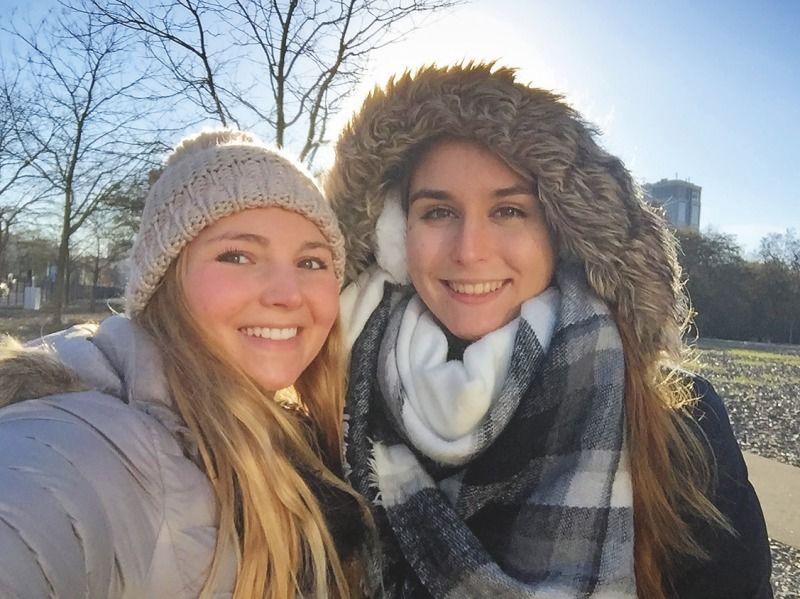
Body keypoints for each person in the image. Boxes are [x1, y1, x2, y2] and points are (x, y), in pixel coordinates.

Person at [325, 63, 772, 598]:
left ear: (560, 232)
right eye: (438, 211)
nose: (470, 251)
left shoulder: (678, 421)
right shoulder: (328, 408)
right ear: (394, 237)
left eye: (509, 210)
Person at [0, 129, 369, 598]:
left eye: (312, 262)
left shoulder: (305, 436)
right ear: (165, 283)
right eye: (238, 256)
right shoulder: (95, 443)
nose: (288, 293)